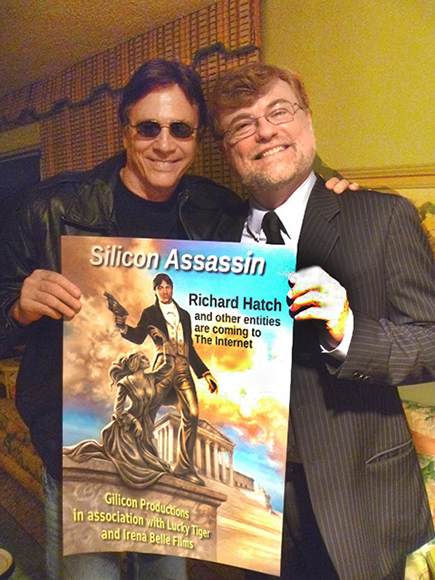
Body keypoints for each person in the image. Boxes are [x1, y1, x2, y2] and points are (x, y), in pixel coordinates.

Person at [0, 57, 354, 580]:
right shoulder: (48, 208)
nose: (164, 144)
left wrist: (329, 191)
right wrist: (18, 306)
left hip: (170, 457)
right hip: (72, 454)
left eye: (180, 129)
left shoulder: (220, 211)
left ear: (196, 137)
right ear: (125, 129)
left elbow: (282, 212)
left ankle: (179, 464)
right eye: (149, 127)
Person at [207, 62, 435, 580]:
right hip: (250, 501)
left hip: (360, 499)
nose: (265, 131)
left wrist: (348, 331)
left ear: (307, 120)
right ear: (227, 149)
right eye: (242, 124)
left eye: (279, 111)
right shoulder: (209, 239)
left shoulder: (381, 218)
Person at [115, 272, 218, 486]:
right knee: (148, 410)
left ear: (172, 288)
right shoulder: (150, 313)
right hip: (163, 366)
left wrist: (205, 373)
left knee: (192, 413)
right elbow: (138, 336)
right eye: (160, 287)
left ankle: (184, 468)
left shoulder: (185, 315)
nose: (164, 291)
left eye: (167, 287)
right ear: (155, 290)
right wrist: (123, 326)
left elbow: (190, 348)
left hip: (183, 369)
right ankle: (139, 456)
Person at [64, 326, 175, 488]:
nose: (147, 360)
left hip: (144, 426)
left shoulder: (151, 378)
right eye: (143, 358)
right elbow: (119, 410)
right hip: (125, 430)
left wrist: (165, 343)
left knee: (158, 466)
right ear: (136, 363)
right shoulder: (125, 383)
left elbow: (168, 366)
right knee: (140, 467)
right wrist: (134, 422)